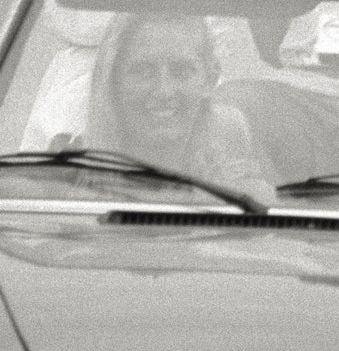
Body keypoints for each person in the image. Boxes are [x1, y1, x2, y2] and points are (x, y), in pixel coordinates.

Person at [84, 14, 275, 207]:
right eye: (144, 71)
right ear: (112, 82)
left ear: (210, 79)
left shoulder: (246, 198)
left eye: (181, 70)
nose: (163, 91)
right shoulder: (69, 193)